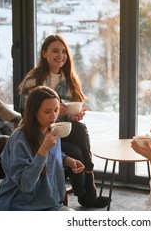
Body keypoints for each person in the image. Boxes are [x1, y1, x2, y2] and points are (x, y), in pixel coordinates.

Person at [18, 34, 109, 208]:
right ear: (44, 53)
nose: (60, 56)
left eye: (64, 52)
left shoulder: (70, 79)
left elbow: (70, 114)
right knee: (75, 149)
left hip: (62, 130)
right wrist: (57, 112)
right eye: (55, 51)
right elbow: (25, 113)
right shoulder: (34, 80)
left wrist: (72, 116)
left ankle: (86, 187)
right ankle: (88, 193)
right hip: (40, 133)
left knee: (79, 127)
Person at [0, 86, 84, 210]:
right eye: (47, 111)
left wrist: (66, 159)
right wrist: (43, 150)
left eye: (56, 110)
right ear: (34, 112)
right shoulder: (19, 139)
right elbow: (25, 185)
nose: (53, 116)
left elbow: (50, 156)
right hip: (20, 205)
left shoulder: (52, 130)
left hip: (48, 201)